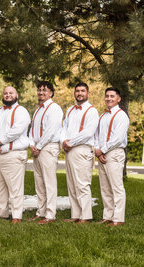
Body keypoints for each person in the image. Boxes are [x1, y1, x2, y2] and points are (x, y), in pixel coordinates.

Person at [0, 86, 31, 224]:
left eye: (11, 93)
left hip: (13, 154)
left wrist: (0, 142)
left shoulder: (21, 111)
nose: (8, 95)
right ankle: (1, 212)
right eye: (5, 93)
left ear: (16, 95)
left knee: (15, 186)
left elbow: (17, 130)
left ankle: (17, 215)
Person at [60, 82, 99, 224]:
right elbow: (64, 128)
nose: (79, 93)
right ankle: (75, 215)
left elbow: (88, 132)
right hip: (69, 150)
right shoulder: (70, 110)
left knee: (82, 184)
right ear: (74, 93)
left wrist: (70, 143)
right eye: (77, 91)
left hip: (82, 149)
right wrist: (63, 141)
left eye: (83, 91)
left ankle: (86, 216)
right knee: (72, 184)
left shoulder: (92, 111)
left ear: (88, 93)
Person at [28, 81, 63, 224]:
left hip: (48, 148)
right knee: (39, 182)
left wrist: (39, 146)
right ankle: (40, 212)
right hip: (37, 148)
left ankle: (50, 215)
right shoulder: (37, 110)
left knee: (49, 182)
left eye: (44, 90)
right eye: (39, 90)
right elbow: (32, 130)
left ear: (51, 93)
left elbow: (51, 130)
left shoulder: (55, 109)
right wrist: (31, 144)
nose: (41, 92)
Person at [94, 87, 129, 227]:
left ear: (118, 99)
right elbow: (96, 135)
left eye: (112, 96)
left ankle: (118, 219)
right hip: (102, 153)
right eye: (107, 96)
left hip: (114, 153)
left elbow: (118, 138)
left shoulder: (121, 116)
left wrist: (102, 150)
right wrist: (98, 149)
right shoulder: (102, 116)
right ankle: (108, 216)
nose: (109, 98)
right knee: (105, 187)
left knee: (116, 187)